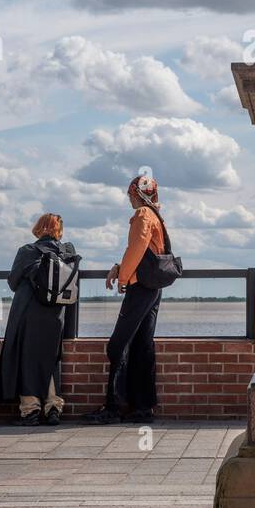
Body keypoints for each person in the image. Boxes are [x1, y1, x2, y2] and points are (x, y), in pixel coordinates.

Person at [84, 176, 165, 425]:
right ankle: (142, 406)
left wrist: (123, 279)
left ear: (135, 194)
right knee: (142, 345)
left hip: (140, 287)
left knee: (117, 345)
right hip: (153, 287)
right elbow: (146, 251)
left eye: (129, 193)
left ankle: (114, 407)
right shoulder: (155, 215)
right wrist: (119, 268)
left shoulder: (142, 213)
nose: (128, 198)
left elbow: (137, 248)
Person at [0, 214, 78, 426]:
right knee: (51, 359)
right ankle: (54, 407)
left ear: (39, 228)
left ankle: (30, 410)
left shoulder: (27, 251)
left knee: (27, 359)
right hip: (57, 314)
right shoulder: (68, 252)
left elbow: (13, 282)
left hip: (28, 312)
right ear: (59, 231)